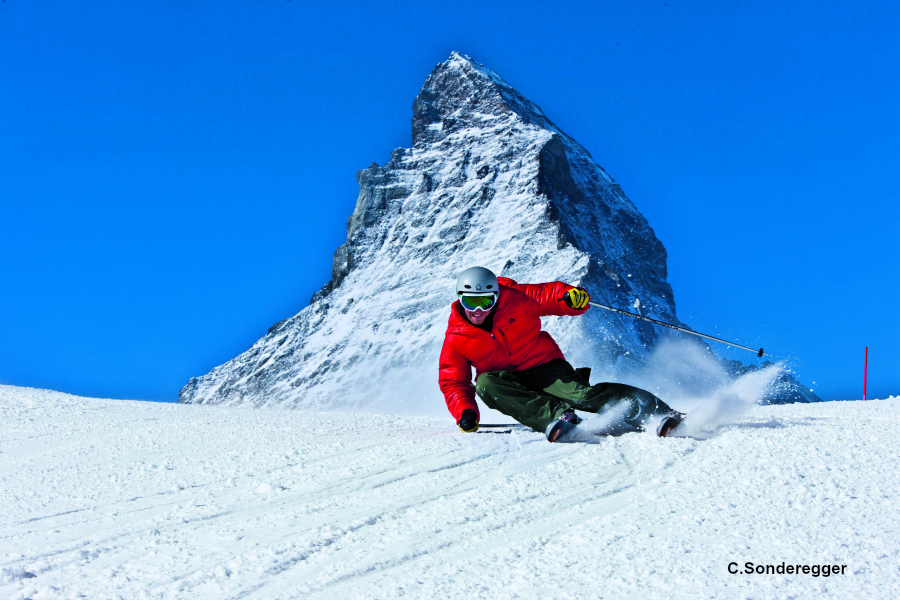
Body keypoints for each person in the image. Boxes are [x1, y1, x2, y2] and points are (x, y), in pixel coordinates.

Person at [438, 266, 683, 441]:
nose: (478, 310)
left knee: (582, 396)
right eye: (471, 302)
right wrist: (466, 412)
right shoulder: (457, 337)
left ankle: (657, 412)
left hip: (543, 366)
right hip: (506, 381)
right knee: (485, 383)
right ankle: (559, 418)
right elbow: (453, 380)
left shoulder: (516, 299)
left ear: (496, 297)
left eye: (486, 301)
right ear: (460, 300)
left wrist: (569, 298)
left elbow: (547, 295)